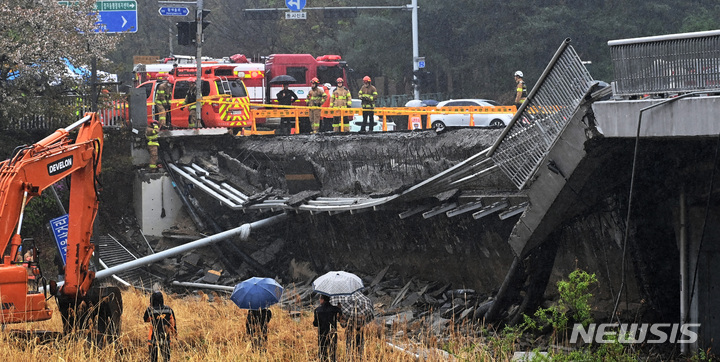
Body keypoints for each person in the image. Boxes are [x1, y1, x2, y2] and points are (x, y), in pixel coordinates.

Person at [143, 291, 177, 362]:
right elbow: (172, 324)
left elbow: (146, 319)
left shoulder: (150, 310)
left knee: (153, 359)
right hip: (166, 338)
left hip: (153, 339)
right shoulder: (169, 309)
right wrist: (175, 335)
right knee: (166, 359)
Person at [313, 294, 342, 362]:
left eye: (320, 299)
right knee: (333, 352)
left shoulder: (317, 310)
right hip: (332, 333)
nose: (319, 300)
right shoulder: (335, 309)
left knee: (323, 351)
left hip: (322, 333)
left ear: (322, 299)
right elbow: (340, 317)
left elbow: (315, 324)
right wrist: (339, 308)